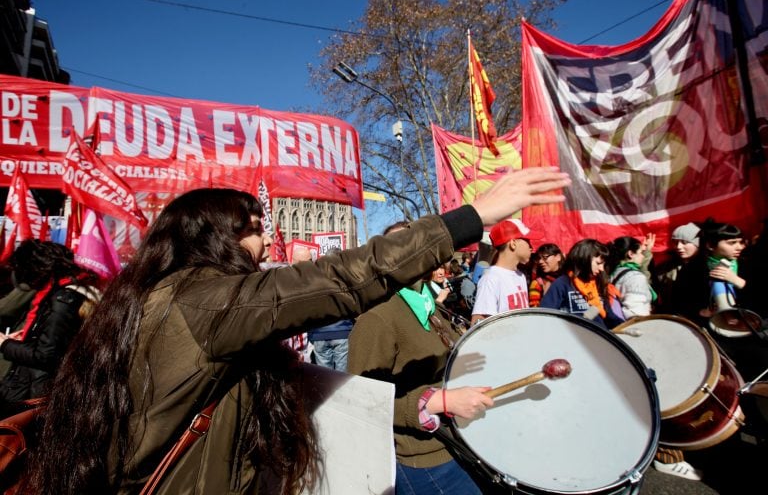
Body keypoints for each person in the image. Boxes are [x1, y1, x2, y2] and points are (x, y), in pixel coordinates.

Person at [22, 168, 570, 494]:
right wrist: (471, 217)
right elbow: (339, 280)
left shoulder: (160, 296)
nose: (265, 244)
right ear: (213, 237)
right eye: (254, 231)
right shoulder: (203, 300)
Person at [348, 222, 491, 495]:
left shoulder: (431, 305)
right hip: (422, 461)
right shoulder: (377, 319)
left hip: (457, 445)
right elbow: (362, 402)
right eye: (402, 244)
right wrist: (438, 401)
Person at [0, 240, 99, 417]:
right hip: (33, 388)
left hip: (37, 393)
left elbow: (46, 355)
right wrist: (26, 340)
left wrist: (5, 344)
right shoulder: (62, 292)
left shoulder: (63, 299)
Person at [540, 239, 624, 329]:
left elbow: (610, 317)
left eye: (603, 265)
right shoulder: (563, 283)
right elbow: (545, 316)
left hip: (599, 339)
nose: (601, 269)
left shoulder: (599, 284)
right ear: (584, 259)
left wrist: (628, 325)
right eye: (598, 263)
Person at [470, 219, 535, 324]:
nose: (532, 248)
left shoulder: (521, 276)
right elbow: (478, 322)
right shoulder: (491, 278)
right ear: (513, 243)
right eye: (527, 241)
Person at [654, 222, 700, 313]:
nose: (678, 247)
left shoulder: (707, 268)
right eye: (675, 242)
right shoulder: (665, 267)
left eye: (685, 242)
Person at [608, 236, 656, 318]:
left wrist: (647, 251)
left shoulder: (612, 271)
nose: (643, 256)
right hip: (634, 327)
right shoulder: (636, 277)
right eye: (641, 252)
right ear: (630, 254)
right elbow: (636, 313)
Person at [528, 243, 563, 307]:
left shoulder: (570, 279)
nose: (540, 261)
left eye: (545, 257)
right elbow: (535, 310)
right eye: (539, 258)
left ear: (558, 257)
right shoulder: (538, 283)